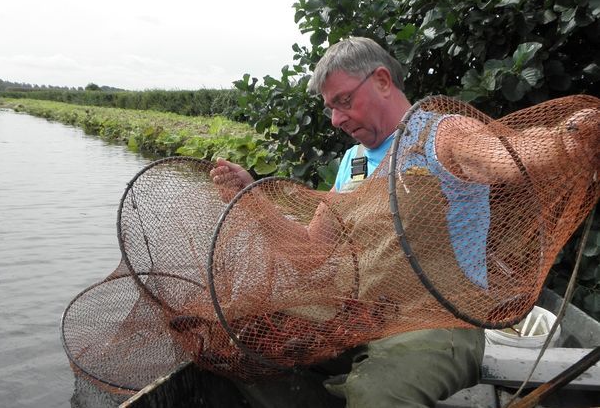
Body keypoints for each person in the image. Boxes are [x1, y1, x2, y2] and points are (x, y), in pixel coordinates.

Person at [209, 37, 599, 407]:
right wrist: (253, 198)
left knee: (379, 392)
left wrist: (570, 140)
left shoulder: (442, 134)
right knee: (244, 340)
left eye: (344, 101)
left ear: (381, 80)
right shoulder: (353, 163)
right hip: (363, 316)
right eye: (330, 107)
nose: (335, 119)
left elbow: (506, 156)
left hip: (441, 325)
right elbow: (312, 254)